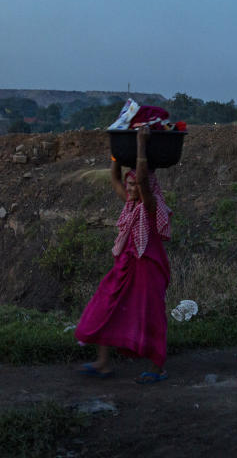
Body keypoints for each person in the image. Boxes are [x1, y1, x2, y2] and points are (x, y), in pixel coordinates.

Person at [74, 126, 172, 383]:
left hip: (147, 270)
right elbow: (115, 179)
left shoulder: (150, 206)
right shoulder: (130, 203)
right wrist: (116, 152)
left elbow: (141, 180)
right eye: (129, 185)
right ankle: (103, 363)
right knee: (106, 306)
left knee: (149, 315)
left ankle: (158, 367)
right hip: (126, 267)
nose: (129, 189)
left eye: (135, 186)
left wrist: (140, 145)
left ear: (145, 188)